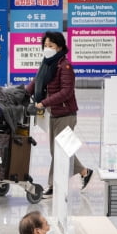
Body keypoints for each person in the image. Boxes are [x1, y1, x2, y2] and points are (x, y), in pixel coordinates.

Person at [25, 31, 93, 198]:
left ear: (60, 47)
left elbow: (66, 92)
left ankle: (53, 186)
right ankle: (85, 172)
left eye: (51, 45)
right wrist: (22, 94)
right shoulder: (47, 64)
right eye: (45, 45)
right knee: (59, 151)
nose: (47, 48)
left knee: (59, 152)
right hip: (53, 114)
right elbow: (36, 82)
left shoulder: (65, 66)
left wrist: (43, 103)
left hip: (66, 114)